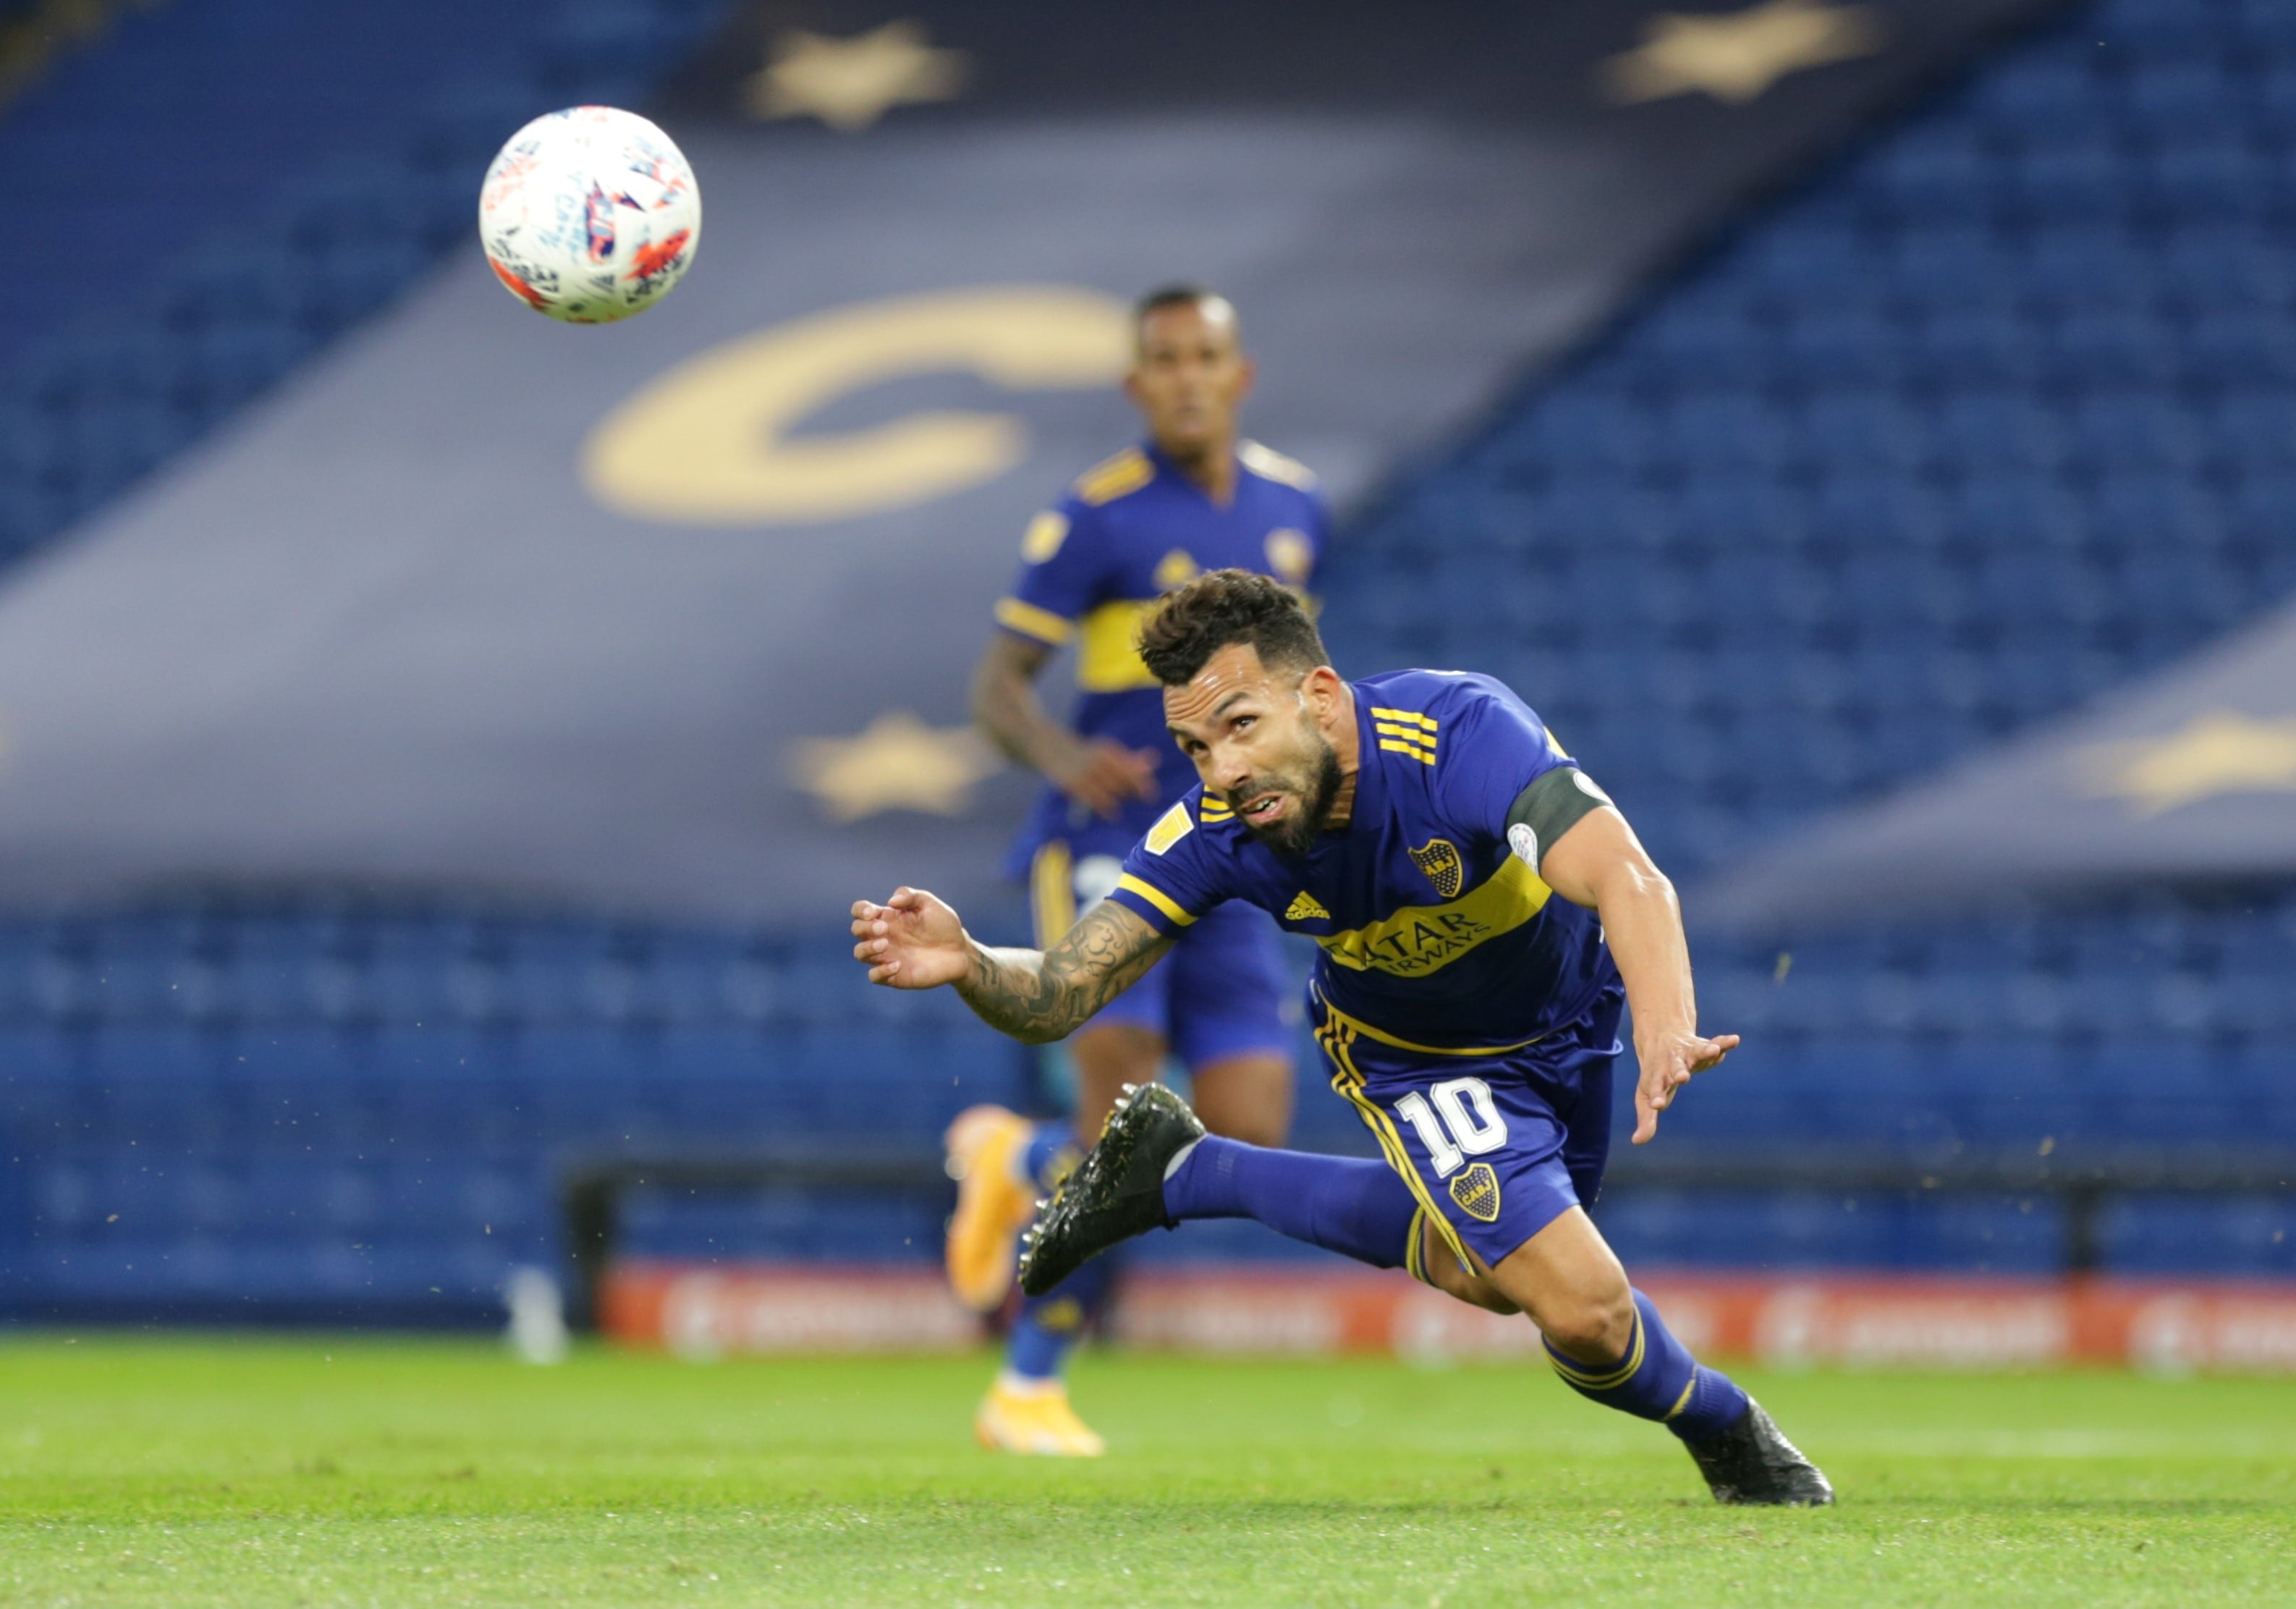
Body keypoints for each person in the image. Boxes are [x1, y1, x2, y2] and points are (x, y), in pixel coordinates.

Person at [856, 570, 1832, 1504]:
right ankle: (1721, 1422)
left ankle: (1189, 1172)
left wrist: (1669, 1030)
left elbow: (1626, 876)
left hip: (1573, 1021)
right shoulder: (1214, 829)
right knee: (1581, 1305)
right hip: (1417, 1059)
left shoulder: (1457, 734)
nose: (1223, 770)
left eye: (1239, 726)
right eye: (1196, 748)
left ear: (1319, 696)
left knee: (1490, 1280)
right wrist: (972, 961)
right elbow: (1064, 988)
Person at [947, 289, 1327, 1456]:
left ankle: (1005, 1156)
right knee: (1120, 1115)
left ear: (1240, 372)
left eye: (1204, 357)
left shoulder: (1293, 506)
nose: (1185, 378)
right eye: (1163, 361)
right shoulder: (1095, 519)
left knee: (1248, 1123)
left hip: (1233, 846)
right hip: (1110, 842)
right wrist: (1070, 757)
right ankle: (1027, 1383)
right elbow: (996, 690)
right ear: (1135, 384)